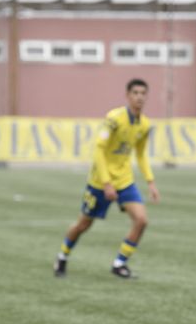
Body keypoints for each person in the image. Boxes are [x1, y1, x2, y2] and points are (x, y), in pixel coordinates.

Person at [54, 78, 159, 279]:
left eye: (143, 93)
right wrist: (106, 183)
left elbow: (141, 154)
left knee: (141, 220)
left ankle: (119, 264)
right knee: (83, 225)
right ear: (127, 95)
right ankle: (62, 256)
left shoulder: (145, 124)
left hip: (124, 181)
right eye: (135, 93)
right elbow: (99, 151)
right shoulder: (114, 119)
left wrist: (150, 181)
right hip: (100, 182)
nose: (139, 97)